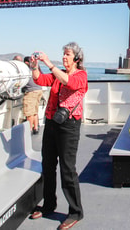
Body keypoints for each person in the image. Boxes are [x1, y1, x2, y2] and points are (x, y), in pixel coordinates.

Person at [29, 42, 87, 230]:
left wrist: (49, 63)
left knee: (67, 169)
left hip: (69, 126)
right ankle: (49, 205)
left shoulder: (81, 76)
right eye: (63, 54)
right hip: (52, 122)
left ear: (76, 58)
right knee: (48, 165)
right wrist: (35, 67)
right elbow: (39, 80)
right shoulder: (57, 74)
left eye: (68, 54)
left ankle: (75, 211)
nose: (64, 57)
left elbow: (68, 82)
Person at [23, 55, 44, 135]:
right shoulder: (36, 69)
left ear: (26, 62)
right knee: (35, 111)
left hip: (31, 92)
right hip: (38, 90)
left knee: (29, 113)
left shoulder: (27, 70)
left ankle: (29, 130)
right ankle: (36, 127)